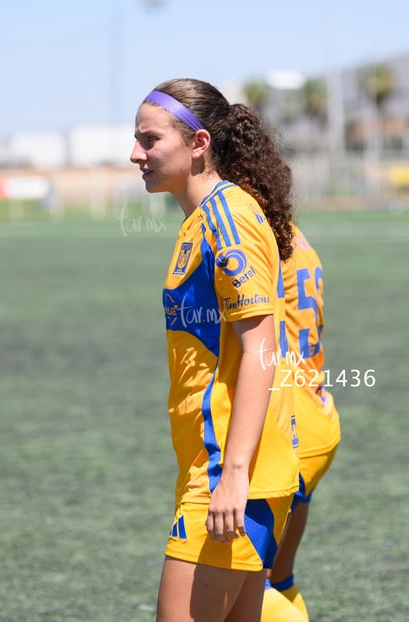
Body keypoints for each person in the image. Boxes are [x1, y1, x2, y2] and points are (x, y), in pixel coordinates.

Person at [130, 78, 300, 622]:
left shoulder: (228, 220)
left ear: (199, 143)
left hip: (228, 478)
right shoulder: (198, 222)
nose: (136, 153)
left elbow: (261, 350)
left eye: (150, 139)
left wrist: (233, 473)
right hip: (219, 471)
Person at [261, 215, 341, 622]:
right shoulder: (296, 235)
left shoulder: (259, 236)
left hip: (289, 424)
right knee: (278, 577)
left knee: (246, 584)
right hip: (318, 418)